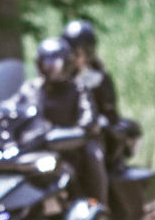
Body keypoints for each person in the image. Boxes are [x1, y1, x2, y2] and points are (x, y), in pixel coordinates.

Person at [18, 37, 107, 204]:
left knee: (93, 154)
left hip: (70, 147)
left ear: (67, 64)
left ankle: (98, 206)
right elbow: (12, 109)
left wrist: (81, 130)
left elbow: (88, 118)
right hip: (36, 145)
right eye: (47, 63)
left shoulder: (78, 90)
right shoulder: (30, 89)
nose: (51, 68)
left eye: (56, 63)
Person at [62, 18, 139, 169]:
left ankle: (99, 193)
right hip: (60, 135)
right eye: (70, 52)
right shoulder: (58, 76)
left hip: (88, 137)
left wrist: (96, 124)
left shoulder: (98, 78)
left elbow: (110, 113)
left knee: (94, 160)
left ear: (88, 52)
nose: (73, 57)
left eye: (78, 52)